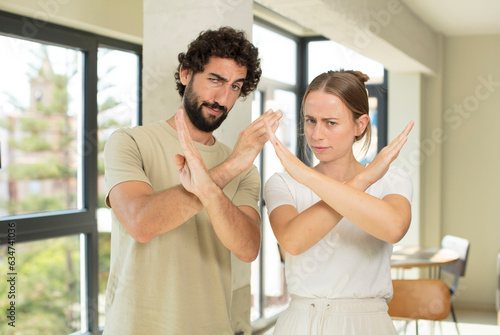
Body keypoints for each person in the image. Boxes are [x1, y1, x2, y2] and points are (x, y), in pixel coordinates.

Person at [102, 27, 282, 335]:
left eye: (236, 87)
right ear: (186, 73)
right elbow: (142, 224)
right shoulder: (129, 142)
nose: (222, 98)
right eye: (215, 80)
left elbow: (247, 248)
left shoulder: (245, 170)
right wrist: (228, 169)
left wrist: (233, 168)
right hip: (135, 327)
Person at [263, 70, 414, 334]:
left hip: (368, 323)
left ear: (360, 124)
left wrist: (310, 176)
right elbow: (293, 242)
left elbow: (394, 228)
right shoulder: (284, 182)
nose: (317, 134)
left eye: (330, 123)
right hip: (301, 323)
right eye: (310, 121)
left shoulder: (391, 180)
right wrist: (363, 179)